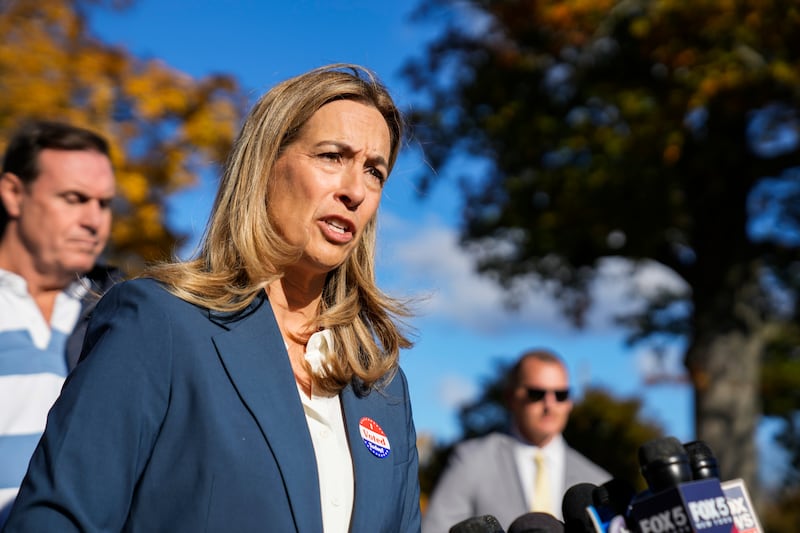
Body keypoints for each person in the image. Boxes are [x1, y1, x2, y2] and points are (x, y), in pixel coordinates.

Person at [3, 64, 420, 533]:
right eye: (331, 156)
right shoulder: (159, 323)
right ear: (264, 164)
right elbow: (56, 518)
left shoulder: (382, 389)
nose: (355, 190)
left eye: (374, 171)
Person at [0, 120, 119, 526]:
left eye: (104, 203)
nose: (94, 220)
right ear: (14, 194)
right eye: (74, 198)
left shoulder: (123, 312)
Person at [422, 349, 611, 532]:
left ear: (570, 402)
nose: (549, 404)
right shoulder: (472, 460)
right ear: (511, 398)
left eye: (560, 395)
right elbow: (435, 528)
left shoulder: (597, 481)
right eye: (536, 394)